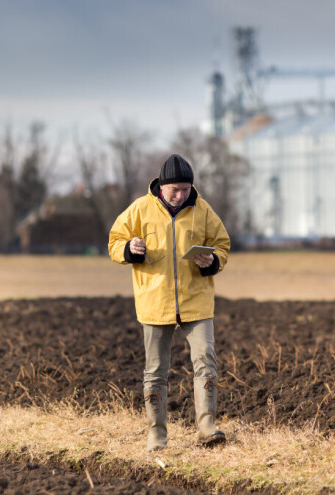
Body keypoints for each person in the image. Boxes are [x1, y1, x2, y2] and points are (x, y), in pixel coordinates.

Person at [108, 153, 231, 452]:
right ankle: (157, 436)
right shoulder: (139, 209)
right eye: (174, 189)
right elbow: (114, 242)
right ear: (161, 186)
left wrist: (212, 260)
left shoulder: (202, 210)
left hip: (196, 301)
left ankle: (206, 427)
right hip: (155, 303)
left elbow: (223, 245)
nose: (180, 194)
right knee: (155, 370)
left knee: (206, 361)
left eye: (185, 189)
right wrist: (130, 248)